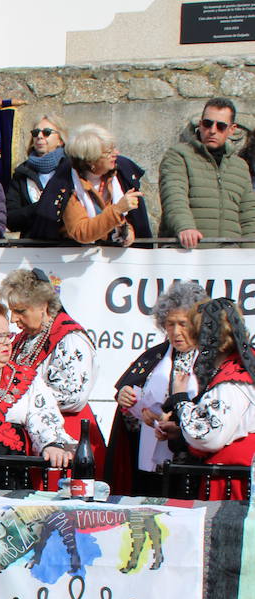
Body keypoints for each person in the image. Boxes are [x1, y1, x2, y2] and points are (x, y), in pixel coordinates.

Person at [106, 281, 206, 496]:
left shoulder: (210, 359)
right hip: (150, 464)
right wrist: (128, 403)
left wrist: (174, 420)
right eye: (170, 324)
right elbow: (131, 408)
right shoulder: (155, 356)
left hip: (192, 464)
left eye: (183, 323)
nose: (176, 332)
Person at [0, 301, 73, 488]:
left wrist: (52, 444)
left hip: (8, 476)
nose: (6, 342)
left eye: (8, 335)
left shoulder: (25, 378)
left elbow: (42, 416)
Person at [1, 267, 104, 465]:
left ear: (42, 305)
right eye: (12, 312)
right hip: (31, 434)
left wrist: (22, 401)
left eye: (20, 311)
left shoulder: (70, 339)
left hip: (65, 435)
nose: (13, 319)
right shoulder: (25, 338)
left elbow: (73, 397)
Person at [157, 296, 255, 498]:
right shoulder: (241, 369)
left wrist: (180, 399)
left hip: (233, 485)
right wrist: (180, 431)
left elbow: (207, 436)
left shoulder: (231, 381)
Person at [159, 98, 255, 249]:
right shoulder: (178, 155)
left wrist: (250, 255)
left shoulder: (240, 166)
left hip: (230, 258)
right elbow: (174, 196)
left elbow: (248, 215)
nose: (212, 130)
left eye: (221, 126)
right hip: (188, 253)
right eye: (207, 123)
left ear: (232, 129)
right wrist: (185, 227)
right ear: (200, 124)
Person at [33, 124, 149, 247]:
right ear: (91, 161)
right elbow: (80, 232)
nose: (116, 154)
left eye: (114, 148)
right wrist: (118, 210)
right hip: (74, 259)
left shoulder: (120, 175)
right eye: (109, 152)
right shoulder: (67, 185)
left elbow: (129, 218)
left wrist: (128, 230)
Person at [5, 116, 67, 234]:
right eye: (35, 132)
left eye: (46, 132)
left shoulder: (70, 170)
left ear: (60, 140)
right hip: (31, 245)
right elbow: (10, 219)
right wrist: (42, 206)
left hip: (65, 245)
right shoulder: (21, 173)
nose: (39, 136)